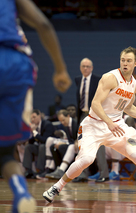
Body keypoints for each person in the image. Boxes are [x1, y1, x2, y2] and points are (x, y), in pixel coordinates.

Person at [43, 47, 136, 204]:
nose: (125, 63)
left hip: (117, 126)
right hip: (94, 125)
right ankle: (56, 187)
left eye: (128, 61)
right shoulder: (110, 78)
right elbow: (95, 104)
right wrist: (108, 122)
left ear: (135, 63)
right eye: (123, 60)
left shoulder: (134, 85)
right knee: (87, 159)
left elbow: (128, 107)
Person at [0, 0, 71, 212]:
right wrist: (60, 68)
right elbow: (44, 25)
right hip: (16, 64)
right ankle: (21, 193)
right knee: (5, 152)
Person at [36, 109, 78, 179]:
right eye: (60, 121)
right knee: (53, 146)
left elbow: (78, 138)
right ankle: (56, 168)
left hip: (80, 145)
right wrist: (63, 143)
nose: (62, 122)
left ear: (68, 116)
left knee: (66, 147)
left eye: (63, 120)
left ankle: (61, 170)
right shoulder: (65, 125)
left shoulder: (76, 123)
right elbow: (70, 140)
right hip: (72, 144)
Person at [23, 109, 55, 178]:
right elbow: (31, 141)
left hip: (49, 149)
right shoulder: (34, 127)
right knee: (28, 147)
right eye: (31, 118)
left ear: (39, 116)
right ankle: (28, 171)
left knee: (42, 146)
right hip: (39, 148)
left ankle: (40, 170)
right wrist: (31, 132)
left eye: (34, 117)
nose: (32, 119)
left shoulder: (47, 124)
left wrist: (34, 132)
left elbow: (45, 140)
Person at [75, 58, 101, 125]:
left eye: (87, 66)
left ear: (91, 68)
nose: (85, 68)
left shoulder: (97, 80)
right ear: (80, 68)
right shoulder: (78, 80)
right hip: (82, 114)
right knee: (81, 134)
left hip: (94, 114)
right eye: (83, 66)